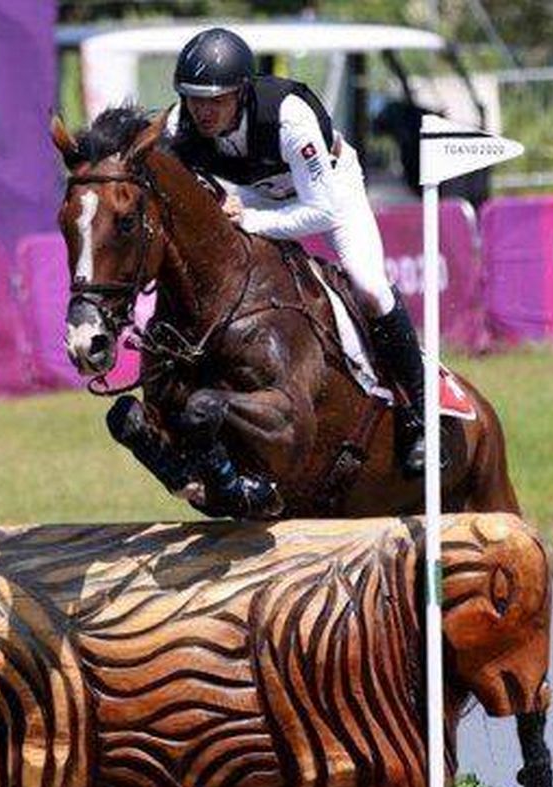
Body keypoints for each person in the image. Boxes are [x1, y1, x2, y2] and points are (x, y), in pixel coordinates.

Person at [166, 27, 430, 476]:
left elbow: (320, 212)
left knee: (368, 287)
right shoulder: (180, 125)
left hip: (330, 192)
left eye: (216, 99)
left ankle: (419, 414)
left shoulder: (288, 118)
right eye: (194, 98)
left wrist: (249, 221)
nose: (203, 111)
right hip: (255, 194)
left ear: (242, 92)